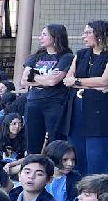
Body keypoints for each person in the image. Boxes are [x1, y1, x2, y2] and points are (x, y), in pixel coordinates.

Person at [18, 23, 74, 155]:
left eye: (44, 35)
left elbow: (53, 81)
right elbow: (23, 81)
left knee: (56, 141)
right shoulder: (35, 57)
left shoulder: (66, 57)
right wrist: (44, 79)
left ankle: (56, 165)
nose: (40, 37)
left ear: (55, 37)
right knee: (32, 142)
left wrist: (33, 77)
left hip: (55, 103)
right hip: (33, 102)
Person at [67, 20, 108, 175]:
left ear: (100, 34)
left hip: (99, 113)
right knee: (78, 155)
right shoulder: (80, 54)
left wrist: (77, 82)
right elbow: (68, 80)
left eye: (88, 32)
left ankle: (97, 189)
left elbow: (104, 81)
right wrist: (93, 85)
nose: (83, 36)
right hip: (77, 110)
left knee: (97, 157)